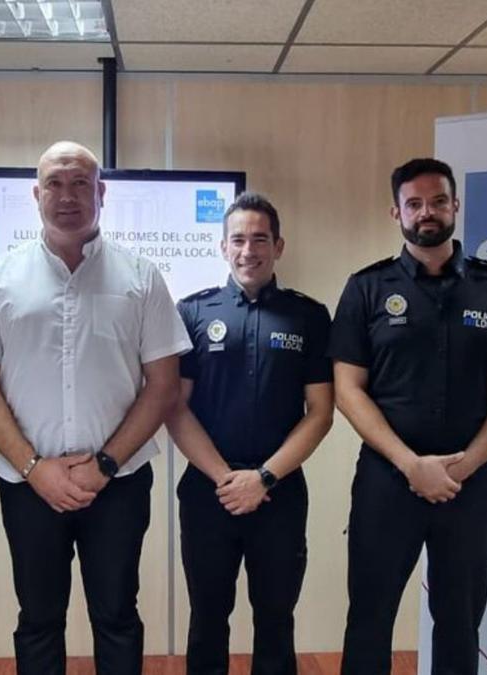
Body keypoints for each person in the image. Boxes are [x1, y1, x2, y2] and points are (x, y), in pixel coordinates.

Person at [0, 141, 191, 675]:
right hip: (28, 484)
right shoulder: (0, 277)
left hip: (120, 482)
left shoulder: (142, 277)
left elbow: (162, 384)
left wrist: (104, 464)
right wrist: (35, 468)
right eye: (55, 184)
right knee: (38, 619)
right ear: (36, 195)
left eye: (80, 183)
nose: (67, 196)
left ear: (101, 193)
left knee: (117, 617)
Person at [329, 158, 487, 674]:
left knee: (460, 619)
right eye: (414, 203)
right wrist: (411, 464)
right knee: (370, 617)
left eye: (437, 201)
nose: (427, 212)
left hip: (468, 485)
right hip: (387, 482)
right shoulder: (367, 288)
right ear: (396, 212)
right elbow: (348, 390)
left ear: (455, 205)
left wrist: (463, 466)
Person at [164, 192, 333, 675]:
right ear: (222, 247)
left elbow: (320, 412)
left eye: (260, 239)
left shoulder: (308, 315)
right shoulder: (193, 313)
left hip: (278, 491)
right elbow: (175, 407)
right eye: (238, 239)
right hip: (207, 493)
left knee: (276, 619)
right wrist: (225, 478)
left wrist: (262, 478)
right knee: (208, 618)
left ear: (279, 246)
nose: (248, 250)